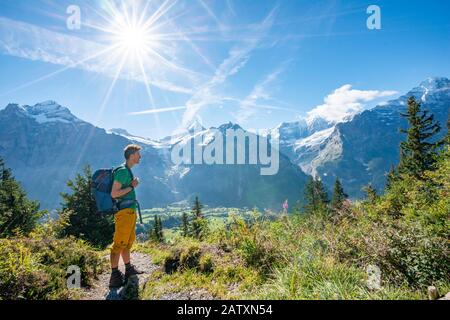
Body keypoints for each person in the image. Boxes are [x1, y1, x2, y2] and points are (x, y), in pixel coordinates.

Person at [109, 144, 144, 288]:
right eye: (138, 154)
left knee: (127, 242)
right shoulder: (123, 171)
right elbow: (114, 193)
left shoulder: (127, 171)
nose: (140, 157)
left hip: (129, 212)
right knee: (119, 244)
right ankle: (115, 275)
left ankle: (128, 269)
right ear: (131, 156)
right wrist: (132, 186)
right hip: (124, 213)